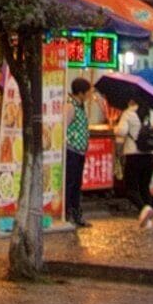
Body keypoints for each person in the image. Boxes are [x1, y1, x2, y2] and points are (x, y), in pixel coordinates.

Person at [62, 78, 98, 226]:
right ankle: (68, 214)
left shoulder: (81, 106)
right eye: (88, 92)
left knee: (77, 184)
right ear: (81, 93)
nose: (90, 95)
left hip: (80, 152)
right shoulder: (70, 107)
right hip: (71, 151)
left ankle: (77, 214)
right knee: (70, 183)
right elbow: (63, 127)